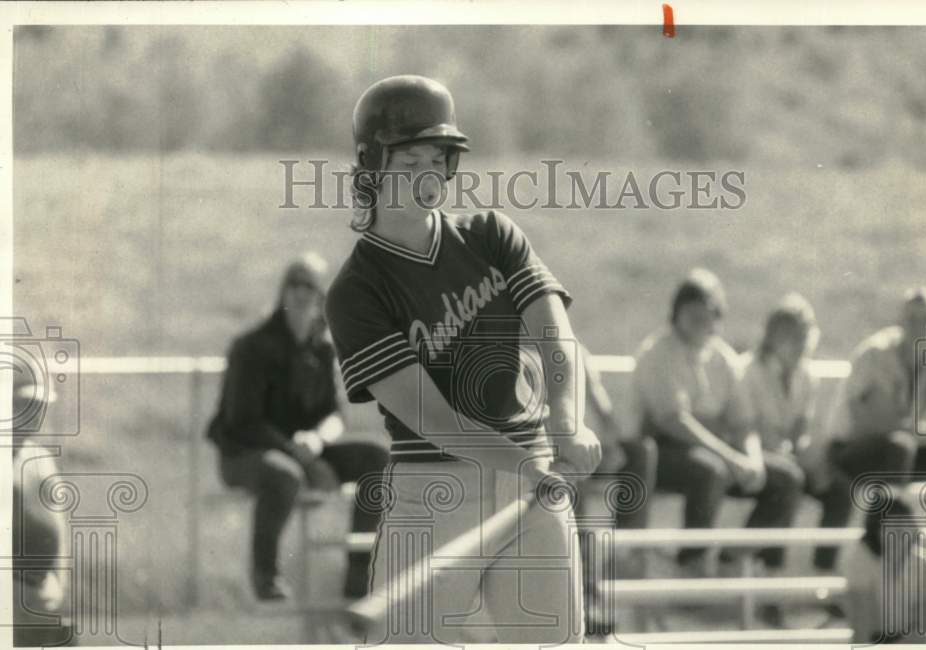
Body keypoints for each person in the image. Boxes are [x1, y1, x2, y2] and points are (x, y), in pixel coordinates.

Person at [325, 75, 601, 644]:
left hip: (530, 484)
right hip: (433, 489)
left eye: (438, 158)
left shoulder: (491, 234)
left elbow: (555, 336)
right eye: (409, 160)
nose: (428, 175)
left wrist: (566, 423)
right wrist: (527, 468)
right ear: (370, 164)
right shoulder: (357, 290)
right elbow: (433, 419)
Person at [207, 252, 389, 601]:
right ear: (282, 291)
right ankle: (266, 579)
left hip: (303, 451)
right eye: (293, 283)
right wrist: (304, 457)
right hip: (245, 453)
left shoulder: (322, 349)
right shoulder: (252, 346)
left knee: (377, 458)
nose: (300, 292)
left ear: (323, 296)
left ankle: (357, 578)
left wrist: (317, 441)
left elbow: (336, 414)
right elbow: (242, 422)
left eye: (309, 285)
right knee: (285, 474)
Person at [632, 269, 803, 578]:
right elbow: (673, 421)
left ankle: (735, 560)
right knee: (710, 471)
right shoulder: (659, 353)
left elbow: (743, 421)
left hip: (719, 449)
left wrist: (751, 459)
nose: (701, 321)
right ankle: (692, 565)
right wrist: (731, 457)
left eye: (707, 314)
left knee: (786, 478)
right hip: (667, 450)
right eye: (692, 313)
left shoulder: (722, 358)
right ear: (677, 313)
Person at [807, 287, 926, 570]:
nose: (919, 327)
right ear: (900, 321)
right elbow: (865, 421)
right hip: (852, 452)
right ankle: (875, 550)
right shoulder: (875, 354)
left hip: (902, 454)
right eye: (912, 319)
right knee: (898, 445)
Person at [737, 292, 819, 625]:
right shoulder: (748, 371)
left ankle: (823, 579)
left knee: (837, 484)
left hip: (785, 459)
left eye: (804, 334)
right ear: (773, 337)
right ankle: (747, 561)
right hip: (751, 455)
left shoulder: (807, 376)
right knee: (789, 482)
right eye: (792, 335)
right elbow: (746, 427)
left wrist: (802, 450)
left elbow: (801, 429)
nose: (800, 343)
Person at [574, 344, 658, 637]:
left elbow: (602, 407)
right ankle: (582, 594)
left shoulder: (572, 349)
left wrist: (609, 442)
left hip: (578, 445)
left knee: (639, 451)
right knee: (570, 473)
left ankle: (626, 546)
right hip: (549, 451)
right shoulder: (516, 346)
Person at [11, 367, 73, 646]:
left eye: (39, 406)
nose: (34, 413)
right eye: (24, 404)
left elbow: (57, 526)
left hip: (41, 589)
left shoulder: (40, 458)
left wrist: (59, 582)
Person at [844, 490, 926, 644]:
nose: (899, 532)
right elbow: (862, 629)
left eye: (905, 523)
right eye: (890, 524)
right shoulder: (860, 560)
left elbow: (922, 632)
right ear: (875, 530)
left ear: (914, 527)